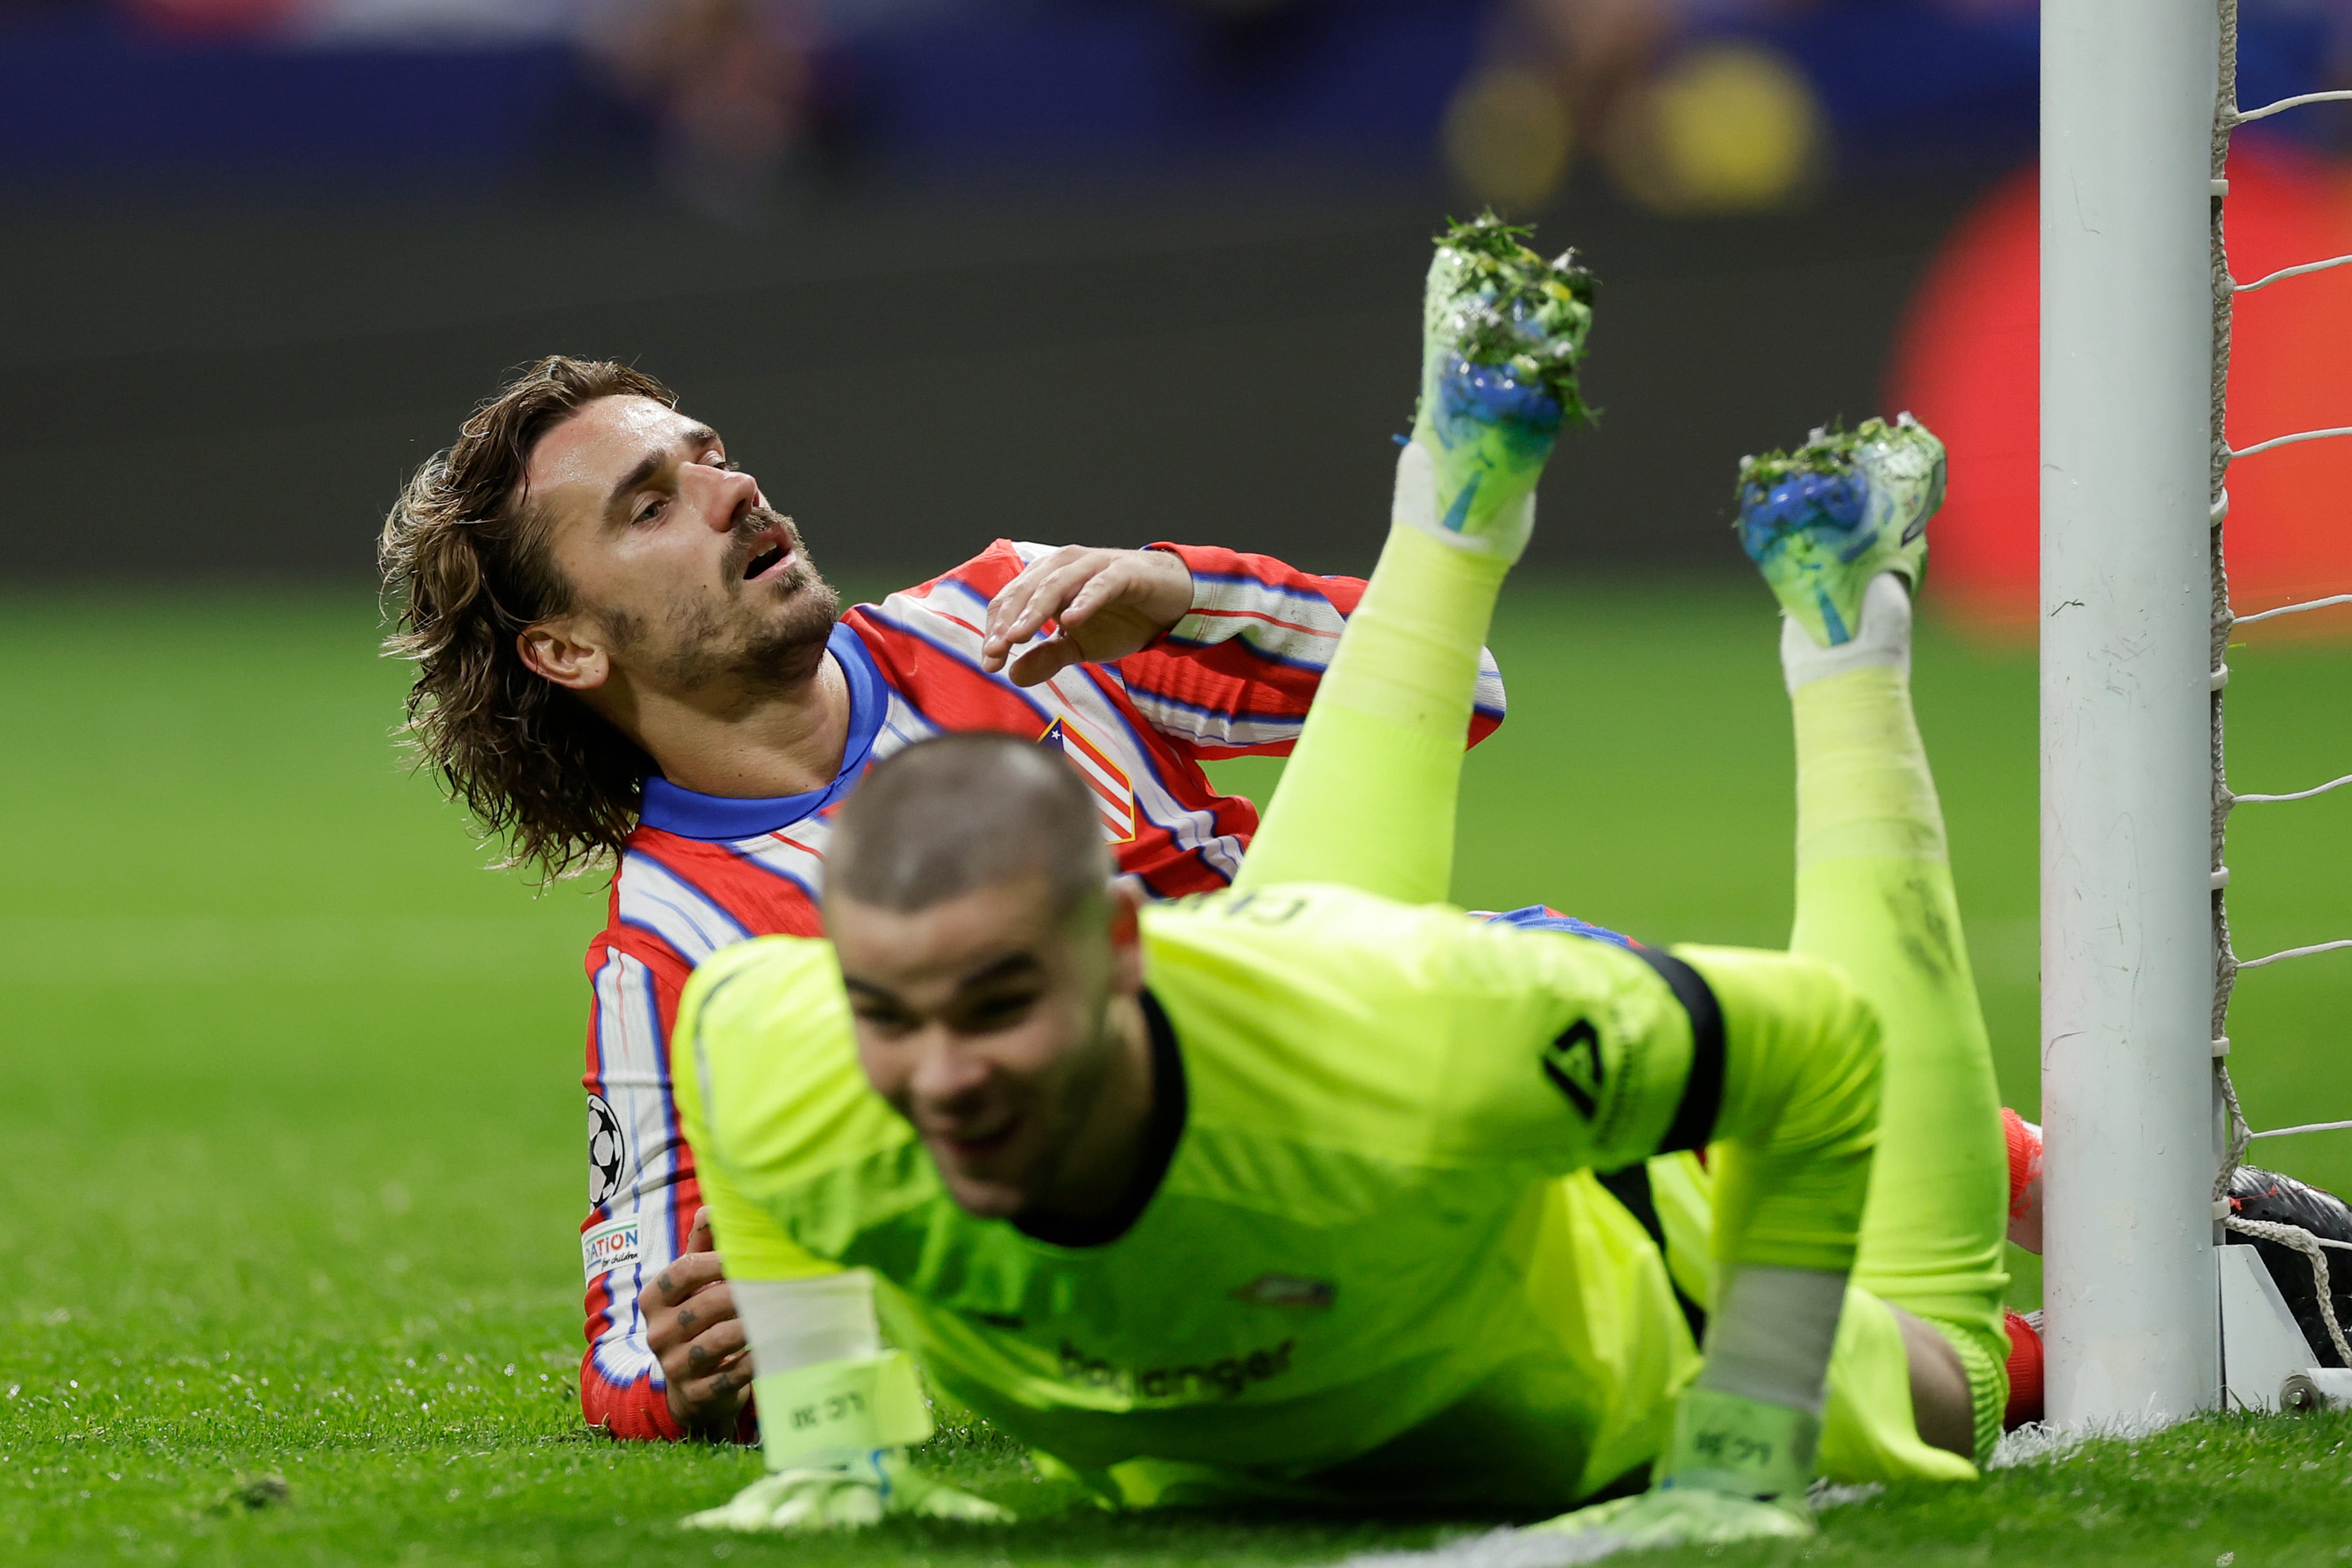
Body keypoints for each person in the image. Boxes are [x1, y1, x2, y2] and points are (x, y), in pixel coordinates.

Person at [668, 218, 2014, 1549]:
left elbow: (1813, 1044)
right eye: (893, 1018)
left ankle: (1846, 654)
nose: (944, 1073)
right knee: (1317, 967)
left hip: (1630, 1338)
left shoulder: (1421, 1041)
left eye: (997, 1003)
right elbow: (730, 1031)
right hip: (1306, 1081)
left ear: (1124, 953)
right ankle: (1450, 511)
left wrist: (1740, 1453)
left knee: (1944, 1358)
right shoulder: (799, 1060)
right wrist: (836, 1441)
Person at [375, 358, 1507, 1442]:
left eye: (710, 456)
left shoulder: (1003, 617)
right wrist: (693, 1370)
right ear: (566, 649)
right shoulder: (669, 951)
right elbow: (629, 1347)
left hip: (1397, 1065)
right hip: (1214, 1263)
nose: (733, 493)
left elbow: (1465, 688)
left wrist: (1185, 597)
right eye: (650, 508)